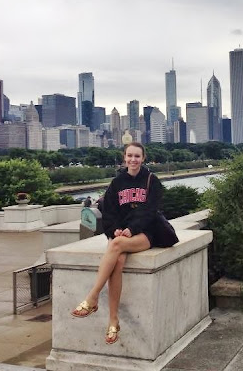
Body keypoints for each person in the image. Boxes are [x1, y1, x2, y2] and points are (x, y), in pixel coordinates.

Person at [70, 142, 177, 345]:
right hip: (121, 234)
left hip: (144, 233)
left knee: (116, 245)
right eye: (130, 156)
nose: (133, 160)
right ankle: (113, 321)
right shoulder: (117, 183)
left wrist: (131, 229)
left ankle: (92, 297)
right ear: (124, 157)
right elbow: (109, 211)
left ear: (143, 158)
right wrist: (115, 230)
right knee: (118, 262)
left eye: (137, 156)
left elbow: (149, 211)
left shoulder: (152, 181)